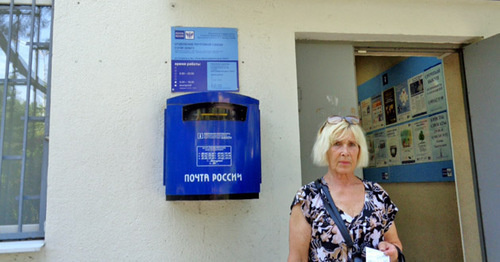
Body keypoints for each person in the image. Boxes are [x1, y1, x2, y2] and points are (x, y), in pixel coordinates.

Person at [288, 115, 403, 262]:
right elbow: (297, 258)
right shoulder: (307, 198)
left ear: (359, 151)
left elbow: (395, 243)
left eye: (352, 144)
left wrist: (393, 251)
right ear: (325, 149)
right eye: (337, 144)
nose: (345, 152)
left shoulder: (376, 193)